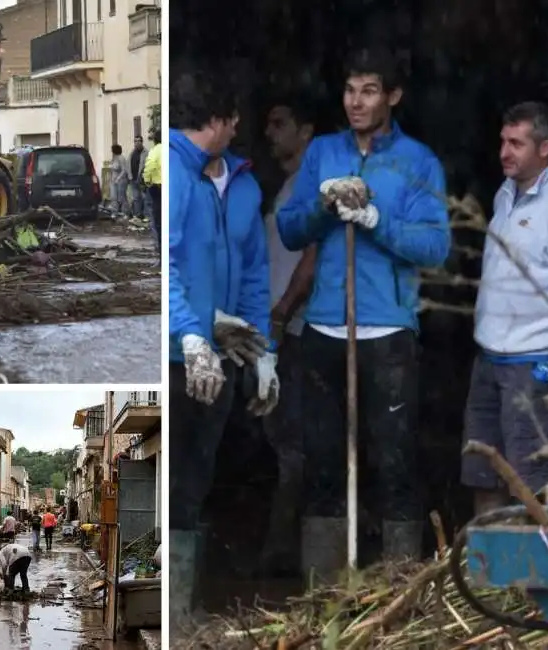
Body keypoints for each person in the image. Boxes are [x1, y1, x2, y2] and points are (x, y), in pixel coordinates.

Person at [276, 48, 450, 580]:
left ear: (392, 96)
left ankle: (399, 589)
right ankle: (323, 597)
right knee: (323, 463)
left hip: (389, 328)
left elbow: (435, 247)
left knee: (395, 463)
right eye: (351, 90)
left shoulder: (418, 162)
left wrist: (375, 219)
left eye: (369, 90)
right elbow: (289, 229)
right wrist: (324, 208)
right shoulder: (324, 153)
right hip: (326, 326)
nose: (356, 101)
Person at [168, 66, 276, 623]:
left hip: (224, 357)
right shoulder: (173, 174)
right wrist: (188, 330)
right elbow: (162, 269)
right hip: (177, 359)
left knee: (203, 477)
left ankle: (184, 610)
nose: (237, 131)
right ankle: (175, 615)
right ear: (220, 119)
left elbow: (256, 273)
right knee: (180, 478)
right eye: (233, 122)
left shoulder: (244, 183)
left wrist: (266, 352)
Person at [463, 101, 548, 514]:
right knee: (484, 473)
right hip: (490, 360)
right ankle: (488, 579)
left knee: (537, 485)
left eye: (516, 143)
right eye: (503, 141)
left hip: (536, 363)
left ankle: (542, 578)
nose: (504, 151)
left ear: (545, 148)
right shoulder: (506, 193)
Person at [258, 95, 319, 576]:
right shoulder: (286, 188)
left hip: (295, 329)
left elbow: (311, 261)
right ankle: (283, 549)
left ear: (306, 130)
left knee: (294, 445)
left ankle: (285, 553)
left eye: (280, 122)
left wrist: (281, 313)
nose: (269, 133)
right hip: (278, 328)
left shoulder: (310, 189)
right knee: (281, 441)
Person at [143, 129, 163, 253]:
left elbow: (149, 166)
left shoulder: (155, 150)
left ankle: (160, 250)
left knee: (158, 220)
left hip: (158, 188)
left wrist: (147, 180)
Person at [109, 144, 131, 215]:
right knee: (113, 197)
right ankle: (115, 212)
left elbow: (124, 170)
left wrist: (118, 179)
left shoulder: (121, 158)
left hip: (121, 181)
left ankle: (125, 212)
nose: (111, 151)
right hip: (113, 181)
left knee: (122, 197)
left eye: (112, 150)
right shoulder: (114, 158)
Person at [128, 135, 147, 217]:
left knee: (144, 198)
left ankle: (145, 215)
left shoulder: (146, 153)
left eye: (139, 141)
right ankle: (137, 215)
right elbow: (128, 164)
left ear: (142, 142)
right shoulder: (132, 153)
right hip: (133, 179)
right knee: (135, 198)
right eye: (135, 141)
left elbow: (147, 166)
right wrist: (129, 176)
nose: (137, 143)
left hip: (142, 180)